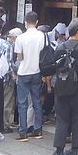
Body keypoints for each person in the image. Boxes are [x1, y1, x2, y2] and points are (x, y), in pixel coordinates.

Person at [46, 17, 78, 155]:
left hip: (62, 87)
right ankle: (74, 151)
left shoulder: (60, 47)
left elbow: (55, 67)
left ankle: (59, 152)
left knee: (62, 119)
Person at [13, 11, 46, 141]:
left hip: (23, 72)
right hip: (37, 71)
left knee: (22, 103)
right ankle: (38, 130)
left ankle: (23, 132)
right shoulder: (42, 36)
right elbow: (43, 52)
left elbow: (19, 57)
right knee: (37, 101)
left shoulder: (21, 38)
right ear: (37, 22)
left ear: (26, 22)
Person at [3, 27, 22, 131]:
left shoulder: (2, 44)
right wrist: (13, 74)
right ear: (14, 38)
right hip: (7, 78)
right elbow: (8, 62)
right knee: (7, 102)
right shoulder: (9, 47)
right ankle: (5, 125)